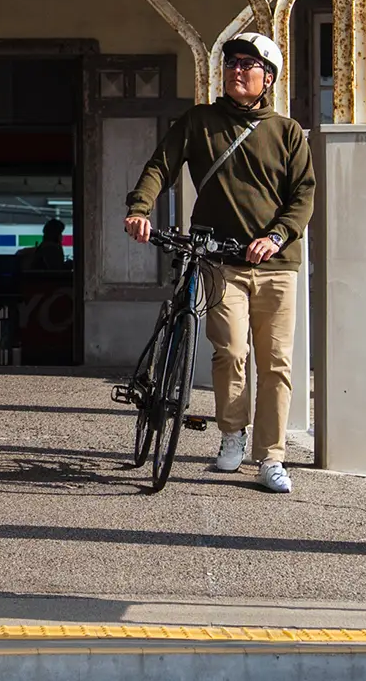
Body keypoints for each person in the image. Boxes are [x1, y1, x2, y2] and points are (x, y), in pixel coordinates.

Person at [122, 33, 315, 494]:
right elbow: (159, 166)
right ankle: (232, 435)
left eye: (248, 64)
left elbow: (303, 195)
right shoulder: (199, 122)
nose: (236, 70)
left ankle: (270, 457)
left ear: (268, 77)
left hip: (276, 262)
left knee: (277, 363)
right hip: (218, 260)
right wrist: (139, 207)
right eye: (231, 62)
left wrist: (276, 235)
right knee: (231, 351)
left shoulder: (286, 132)